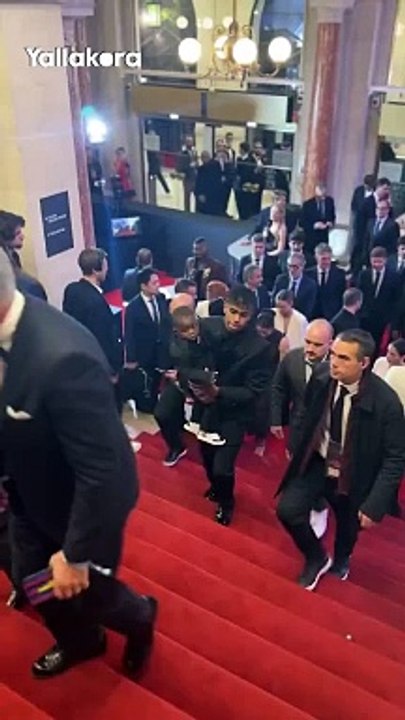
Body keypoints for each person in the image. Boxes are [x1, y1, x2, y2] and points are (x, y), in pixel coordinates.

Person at [0, 248, 157, 677]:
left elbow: (107, 472)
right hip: (25, 497)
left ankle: (141, 617)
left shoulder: (62, 358)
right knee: (32, 581)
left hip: (76, 511)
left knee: (89, 593)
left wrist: (75, 553)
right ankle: (81, 641)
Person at [276, 329, 405, 591]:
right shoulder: (322, 376)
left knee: (348, 528)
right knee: (287, 509)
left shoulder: (387, 403)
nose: (334, 362)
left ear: (364, 363)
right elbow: (305, 412)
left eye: (344, 358)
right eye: (333, 354)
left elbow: (395, 457)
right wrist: (296, 445)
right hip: (318, 461)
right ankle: (317, 557)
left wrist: (375, 504)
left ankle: (342, 559)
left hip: (355, 474)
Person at [189, 285, 272, 526]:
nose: (236, 319)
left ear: (252, 315)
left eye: (243, 315)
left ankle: (227, 503)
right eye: (233, 312)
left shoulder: (260, 348)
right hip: (205, 408)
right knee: (206, 456)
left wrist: (218, 392)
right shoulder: (207, 326)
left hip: (235, 413)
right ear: (225, 307)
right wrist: (192, 384)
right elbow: (189, 357)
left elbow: (254, 391)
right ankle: (216, 488)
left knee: (223, 467)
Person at [63, 249, 123, 399]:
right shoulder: (96, 303)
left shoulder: (71, 290)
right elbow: (103, 339)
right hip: (98, 369)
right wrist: (113, 370)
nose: (107, 270)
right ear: (96, 270)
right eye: (105, 266)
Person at [124, 267, 171, 406]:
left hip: (162, 353)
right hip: (144, 355)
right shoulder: (133, 307)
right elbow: (129, 334)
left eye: (158, 282)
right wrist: (131, 358)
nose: (158, 285)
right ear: (143, 286)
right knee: (148, 388)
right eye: (154, 283)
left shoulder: (161, 299)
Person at [253, 310, 284, 456]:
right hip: (252, 374)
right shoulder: (252, 334)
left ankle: (261, 439)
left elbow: (282, 363)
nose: (262, 335)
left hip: (270, 377)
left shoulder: (280, 338)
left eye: (265, 333)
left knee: (262, 409)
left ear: (271, 329)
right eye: (259, 332)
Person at [357, 246, 400, 351]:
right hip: (364, 317)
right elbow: (359, 294)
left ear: (385, 260)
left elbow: (395, 300)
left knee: (376, 344)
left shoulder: (394, 277)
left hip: (382, 318)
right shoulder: (364, 275)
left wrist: (392, 320)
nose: (377, 264)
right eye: (374, 261)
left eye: (379, 262)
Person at [306, 243, 346, 320]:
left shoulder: (340, 274)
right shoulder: (308, 274)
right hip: (312, 315)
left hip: (332, 316)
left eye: (329, 259)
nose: (327, 262)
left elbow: (341, 296)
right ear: (316, 257)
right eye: (323, 259)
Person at [272, 253, 317, 320]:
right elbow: (273, 301)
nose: (292, 270)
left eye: (295, 267)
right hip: (280, 317)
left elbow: (309, 308)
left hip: (300, 319)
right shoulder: (281, 280)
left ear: (302, 267)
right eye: (290, 266)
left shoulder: (310, 285)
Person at [300, 183, 336, 257]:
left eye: (324, 196)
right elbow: (302, 222)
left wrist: (330, 223)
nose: (322, 198)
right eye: (320, 197)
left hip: (324, 236)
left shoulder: (330, 201)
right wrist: (314, 225)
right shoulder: (307, 205)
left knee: (323, 254)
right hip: (311, 236)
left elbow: (332, 216)